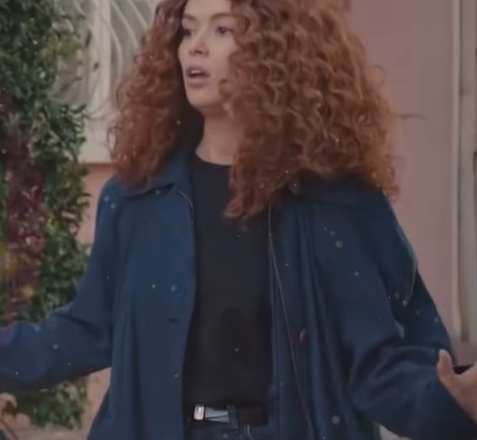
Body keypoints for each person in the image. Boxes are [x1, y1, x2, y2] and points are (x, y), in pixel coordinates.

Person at [0, 0, 477, 439]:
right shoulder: (135, 200)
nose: (196, 47)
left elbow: (381, 364)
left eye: (223, 29)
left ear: (279, 50)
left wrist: (452, 403)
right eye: (188, 31)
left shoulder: (337, 205)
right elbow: (85, 331)